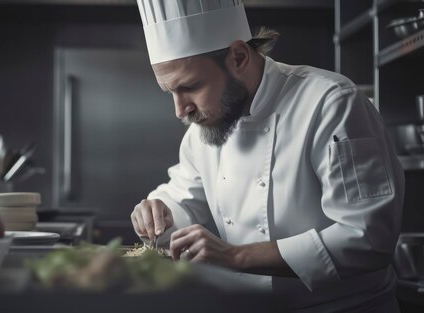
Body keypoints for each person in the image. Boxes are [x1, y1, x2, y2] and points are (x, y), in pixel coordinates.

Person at [129, 1, 404, 312]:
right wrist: (160, 210)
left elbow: (368, 238)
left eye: (190, 86)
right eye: (170, 92)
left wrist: (236, 256)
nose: (181, 110)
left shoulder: (331, 103)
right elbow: (183, 195)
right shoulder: (205, 124)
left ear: (239, 56)